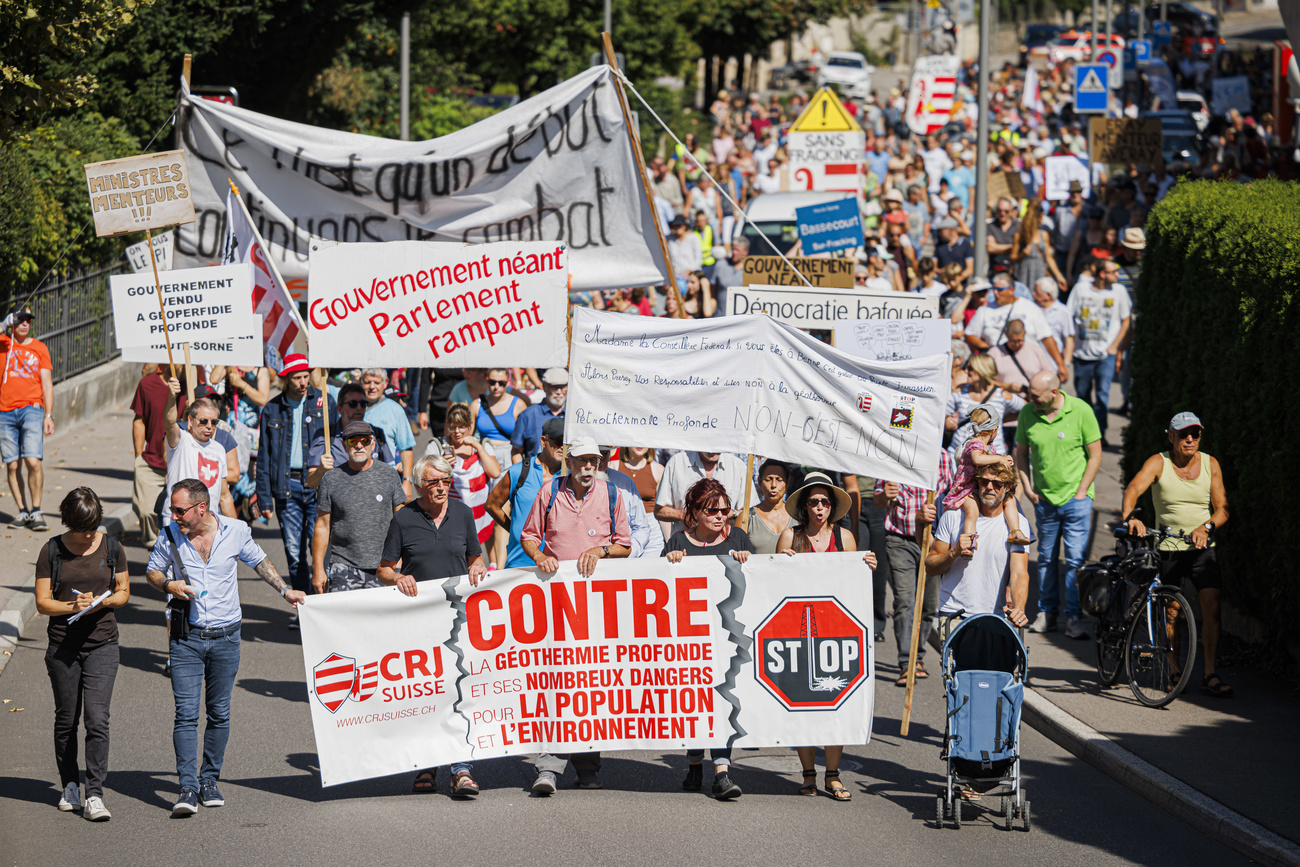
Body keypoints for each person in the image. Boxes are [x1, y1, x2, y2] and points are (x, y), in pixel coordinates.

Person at [146, 478, 305, 815]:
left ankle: (209, 779)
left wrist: (284, 591)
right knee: (186, 715)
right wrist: (169, 583)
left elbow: (259, 561)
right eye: (172, 509)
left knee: (219, 713)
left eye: (179, 510)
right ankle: (187, 788)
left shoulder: (235, 531)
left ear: (201, 508)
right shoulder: (170, 534)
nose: (173, 515)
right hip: (186, 637)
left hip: (227, 637)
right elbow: (152, 572)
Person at [520, 435, 631, 794]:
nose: (587, 468)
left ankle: (587, 765)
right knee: (557, 683)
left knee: (590, 685)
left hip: (597, 605)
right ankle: (549, 767)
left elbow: (624, 545)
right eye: (582, 461)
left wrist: (600, 550)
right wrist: (540, 557)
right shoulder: (549, 491)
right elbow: (529, 536)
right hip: (556, 603)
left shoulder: (612, 494)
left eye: (593, 462)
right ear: (568, 461)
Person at [379, 454, 487, 796]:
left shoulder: (464, 514)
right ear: (418, 485)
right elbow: (383, 569)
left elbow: (476, 558)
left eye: (446, 481)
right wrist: (397, 578)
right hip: (419, 622)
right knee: (428, 693)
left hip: (457, 620)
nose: (442, 488)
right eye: (434, 483)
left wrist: (478, 568)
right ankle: (426, 764)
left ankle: (461, 768)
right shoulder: (404, 519)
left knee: (458, 692)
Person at [776, 472, 876, 802]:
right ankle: (808, 774)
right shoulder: (790, 536)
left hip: (835, 633)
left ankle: (832, 775)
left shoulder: (845, 537)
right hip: (798, 634)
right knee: (803, 705)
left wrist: (867, 566)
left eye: (825, 502)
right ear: (804, 507)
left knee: (836, 705)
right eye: (813, 502)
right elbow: (773, 583)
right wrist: (781, 564)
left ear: (832, 507)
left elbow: (853, 583)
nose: (819, 508)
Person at [1121, 412, 1232, 697]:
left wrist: (1206, 527)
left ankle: (1210, 674)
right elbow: (1134, 488)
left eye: (1195, 434)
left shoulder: (1210, 464)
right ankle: (1174, 670)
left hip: (1201, 548)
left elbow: (1222, 509)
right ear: (1171, 436)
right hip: (1169, 548)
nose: (1190, 439)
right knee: (1171, 611)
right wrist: (1131, 517)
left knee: (1212, 606)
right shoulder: (1159, 462)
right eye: (1184, 434)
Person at [34, 487, 129, 820]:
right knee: (66, 720)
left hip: (103, 643)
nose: (90, 534)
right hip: (63, 646)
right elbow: (42, 602)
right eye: (83, 528)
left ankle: (95, 794)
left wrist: (103, 601)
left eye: (94, 526)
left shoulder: (112, 546)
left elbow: (123, 591)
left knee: (97, 720)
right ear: (69, 522)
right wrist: (71, 606)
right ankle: (69, 785)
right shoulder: (52, 551)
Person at [664, 478, 754, 800]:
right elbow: (661, 593)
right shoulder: (677, 542)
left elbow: (758, 585)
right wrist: (669, 566)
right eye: (712, 510)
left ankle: (722, 772)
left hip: (727, 637)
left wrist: (750, 563)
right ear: (695, 513)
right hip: (690, 639)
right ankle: (693, 763)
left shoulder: (739, 538)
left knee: (721, 700)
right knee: (694, 703)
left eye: (725, 510)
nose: (720, 517)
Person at [1015, 371, 1101, 639]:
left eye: (1037, 396)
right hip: (1044, 500)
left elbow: (1095, 454)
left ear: (1054, 392)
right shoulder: (1028, 413)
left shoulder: (1081, 410)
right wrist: (1027, 487)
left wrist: (1082, 491)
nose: (1032, 400)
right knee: (1046, 559)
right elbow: (1020, 453)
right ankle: (1048, 613)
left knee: (1075, 561)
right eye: (1030, 395)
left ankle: (1074, 617)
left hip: (1076, 500)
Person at [256, 354, 333, 605]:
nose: (302, 382)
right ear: (286, 379)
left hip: (319, 482)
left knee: (320, 547)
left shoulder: (324, 401)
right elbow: (264, 457)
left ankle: (324, 601)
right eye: (296, 377)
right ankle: (304, 605)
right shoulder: (272, 408)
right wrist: (264, 498)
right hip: (286, 486)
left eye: (305, 376)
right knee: (293, 550)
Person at [874, 451, 955, 685]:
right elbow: (878, 501)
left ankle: (918, 656)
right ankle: (906, 663)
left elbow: (952, 497)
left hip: (933, 541)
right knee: (905, 601)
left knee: (930, 604)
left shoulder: (943, 457)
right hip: (900, 539)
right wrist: (885, 496)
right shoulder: (892, 453)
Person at [926, 459, 1032, 630]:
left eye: (997, 483)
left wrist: (1019, 608)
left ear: (1008, 488)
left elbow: (1020, 573)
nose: (989, 487)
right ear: (976, 484)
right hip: (954, 615)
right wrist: (954, 552)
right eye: (984, 482)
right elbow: (930, 567)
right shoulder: (952, 516)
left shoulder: (1018, 525)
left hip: (995, 617)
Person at [310, 421, 406, 593]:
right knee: (343, 620)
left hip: (384, 567)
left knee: (381, 620)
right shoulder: (331, 479)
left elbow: (401, 519)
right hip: (343, 567)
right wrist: (318, 569)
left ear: (373, 444)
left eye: (365, 441)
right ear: (344, 445)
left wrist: (400, 560)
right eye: (353, 441)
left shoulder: (389, 475)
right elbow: (322, 526)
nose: (359, 445)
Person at [946, 405, 1031, 549]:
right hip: (968, 489)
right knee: (972, 511)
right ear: (994, 430)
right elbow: (978, 460)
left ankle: (1015, 531)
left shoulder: (989, 446)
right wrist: (999, 458)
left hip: (982, 484)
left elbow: (991, 463)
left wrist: (1005, 460)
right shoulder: (975, 444)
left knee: (1010, 500)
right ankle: (968, 542)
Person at [1, 305, 54, 530]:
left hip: (32, 409)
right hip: (4, 412)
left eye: (28, 320)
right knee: (12, 466)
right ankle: (22, 511)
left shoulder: (39, 348)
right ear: (12, 322)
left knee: (33, 461)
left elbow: (47, 383)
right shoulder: (3, 344)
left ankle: (37, 510)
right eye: (20, 319)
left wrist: (48, 414)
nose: (25, 323)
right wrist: (3, 325)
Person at [1067, 259, 1131, 448]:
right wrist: (1070, 346)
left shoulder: (1119, 291)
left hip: (1106, 355)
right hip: (1082, 354)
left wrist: (1115, 347)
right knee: (1083, 396)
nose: (1117, 275)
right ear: (1102, 274)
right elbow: (1069, 316)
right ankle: (1085, 434)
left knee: (1103, 396)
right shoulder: (1080, 290)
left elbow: (1126, 321)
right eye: (1114, 271)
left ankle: (1100, 435)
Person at [486, 416, 565, 568]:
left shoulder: (570, 476)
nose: (562, 447)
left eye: (567, 443)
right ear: (544, 441)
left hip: (560, 564)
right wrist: (517, 530)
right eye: (558, 442)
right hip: (521, 564)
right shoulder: (519, 472)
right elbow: (491, 505)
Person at [964, 274, 1067, 379]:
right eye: (994, 289)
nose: (995, 293)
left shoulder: (1029, 308)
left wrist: (1060, 364)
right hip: (998, 369)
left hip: (1029, 367)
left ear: (1011, 290)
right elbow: (969, 334)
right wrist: (988, 349)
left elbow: (1047, 338)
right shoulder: (985, 310)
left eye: (1000, 290)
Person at [305, 381, 394, 489]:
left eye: (363, 403)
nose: (358, 408)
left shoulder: (376, 434)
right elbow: (311, 483)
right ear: (339, 409)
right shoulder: (325, 435)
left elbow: (391, 475)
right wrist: (321, 470)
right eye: (353, 403)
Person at [443, 402, 502, 559]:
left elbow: (495, 472)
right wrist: (442, 465)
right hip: (451, 512)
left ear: (470, 425)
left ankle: (493, 569)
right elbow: (424, 480)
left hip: (480, 511)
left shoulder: (482, 444)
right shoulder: (438, 446)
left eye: (461, 426)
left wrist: (479, 448)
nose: (457, 431)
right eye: (453, 427)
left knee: (484, 543)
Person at [131, 365, 179, 547]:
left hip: (179, 463)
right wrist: (138, 456)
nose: (179, 364)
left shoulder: (192, 383)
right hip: (152, 461)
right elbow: (139, 420)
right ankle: (154, 545)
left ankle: (171, 556)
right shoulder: (147, 384)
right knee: (145, 511)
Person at [655, 450, 749, 539]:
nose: (713, 450)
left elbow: (751, 511)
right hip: (685, 546)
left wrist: (730, 513)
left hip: (726, 544)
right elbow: (659, 511)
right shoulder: (677, 463)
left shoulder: (737, 466)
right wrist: (683, 515)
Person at [360, 368, 416, 496]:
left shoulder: (395, 410)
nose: (372, 387)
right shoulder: (352, 407)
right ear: (361, 382)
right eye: (368, 382)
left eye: (377, 383)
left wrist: (407, 482)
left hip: (386, 482)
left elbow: (406, 448)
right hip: (356, 480)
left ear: (385, 383)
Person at [600, 446, 661, 558]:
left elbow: (641, 526)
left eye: (604, 454)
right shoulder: (569, 485)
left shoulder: (624, 482)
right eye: (594, 456)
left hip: (629, 553)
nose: (599, 461)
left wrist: (627, 552)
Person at [469, 367, 525, 470]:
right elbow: (468, 434)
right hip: (483, 453)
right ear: (487, 381)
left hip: (509, 456)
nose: (496, 386)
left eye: (501, 383)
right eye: (492, 382)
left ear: (508, 383)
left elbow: (525, 438)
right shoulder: (476, 405)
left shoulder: (518, 404)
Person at [511, 368, 567, 464]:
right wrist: (522, 475)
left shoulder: (575, 415)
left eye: (562, 387)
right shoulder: (527, 415)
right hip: (537, 474)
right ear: (544, 387)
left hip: (568, 476)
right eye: (554, 387)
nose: (559, 392)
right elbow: (516, 451)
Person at [1011, 202, 1068, 294]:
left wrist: (1059, 276)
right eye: (1041, 217)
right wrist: (1022, 254)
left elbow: (1049, 258)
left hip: (1040, 274)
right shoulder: (1020, 235)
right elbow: (1013, 257)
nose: (1042, 220)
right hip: (1024, 275)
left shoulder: (1044, 234)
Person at [989, 319, 1054, 397]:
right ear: (1006, 335)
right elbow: (986, 381)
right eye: (1013, 341)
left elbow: (1049, 377)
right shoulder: (994, 353)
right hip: (1006, 401)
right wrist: (1007, 386)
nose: (1017, 344)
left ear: (1024, 333)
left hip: (1032, 401)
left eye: (1020, 341)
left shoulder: (1036, 350)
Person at [747, 459, 792, 555]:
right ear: (759, 481)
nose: (773, 485)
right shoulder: (746, 518)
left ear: (787, 483)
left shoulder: (797, 516)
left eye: (779, 480)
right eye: (768, 479)